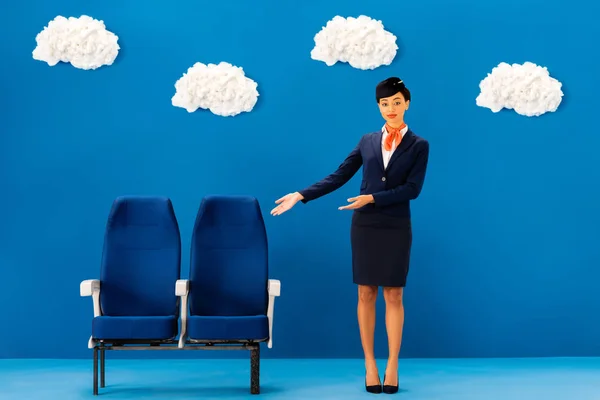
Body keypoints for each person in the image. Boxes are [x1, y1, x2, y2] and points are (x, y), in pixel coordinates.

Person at [270, 77, 430, 394]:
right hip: (365, 226)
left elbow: (413, 189)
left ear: (407, 103)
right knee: (365, 293)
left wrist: (373, 198)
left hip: (396, 224)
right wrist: (302, 194)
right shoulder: (367, 141)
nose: (391, 108)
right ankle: (370, 363)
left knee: (394, 294)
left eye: (397, 102)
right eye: (385, 104)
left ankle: (393, 363)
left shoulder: (419, 145)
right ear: (378, 107)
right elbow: (340, 174)